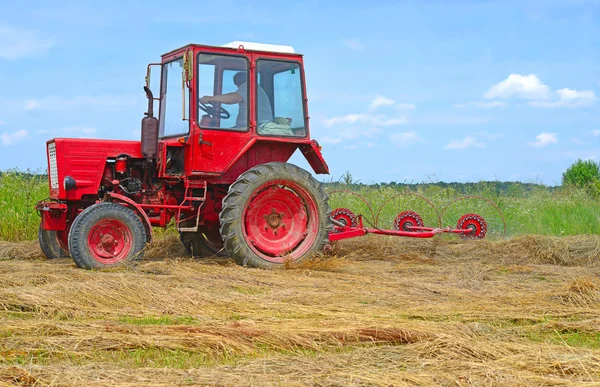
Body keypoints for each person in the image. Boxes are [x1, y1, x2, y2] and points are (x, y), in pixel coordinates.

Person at [199, 72, 273, 128]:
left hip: (257, 127)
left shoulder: (249, 86)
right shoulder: (249, 87)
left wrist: (212, 98)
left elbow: (234, 98)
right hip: (248, 127)